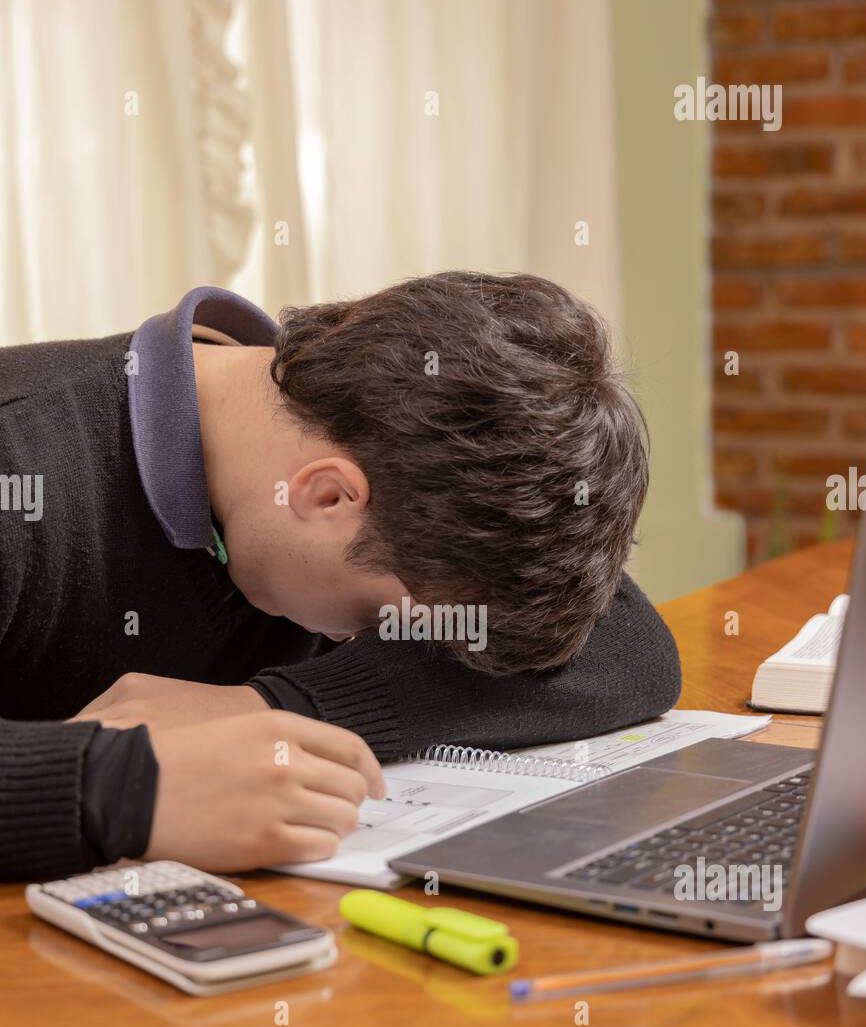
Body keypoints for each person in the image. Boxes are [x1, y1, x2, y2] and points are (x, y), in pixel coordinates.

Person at [0, 272, 680, 881]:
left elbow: (631, 648)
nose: (376, 649)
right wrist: (120, 789)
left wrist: (274, 705)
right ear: (327, 497)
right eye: (379, 625)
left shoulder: (378, 455)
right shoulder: (20, 465)